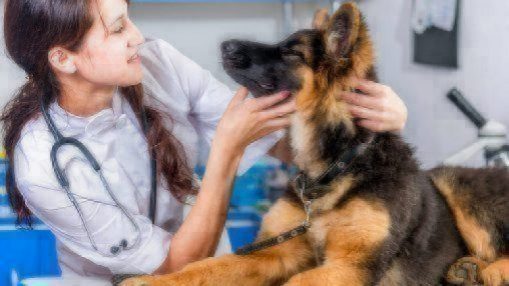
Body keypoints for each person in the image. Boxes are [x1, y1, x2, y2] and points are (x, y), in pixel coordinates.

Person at [1, 0, 408, 282]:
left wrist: (372, 118)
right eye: (118, 28)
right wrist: (226, 154)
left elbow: (282, 140)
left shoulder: (157, 63)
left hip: (207, 263)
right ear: (62, 59)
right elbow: (172, 267)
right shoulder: (43, 165)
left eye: (131, 18)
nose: (137, 37)